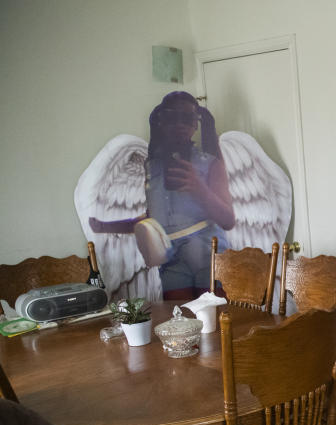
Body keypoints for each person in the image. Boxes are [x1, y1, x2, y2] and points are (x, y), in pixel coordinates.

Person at [89, 91, 235, 299]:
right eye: (171, 117)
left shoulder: (210, 164)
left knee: (214, 322)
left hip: (207, 257)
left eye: (187, 118)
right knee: (178, 321)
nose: (179, 125)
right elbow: (152, 220)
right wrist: (105, 227)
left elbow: (228, 220)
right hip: (170, 259)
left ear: (195, 124)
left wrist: (198, 188)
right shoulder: (152, 167)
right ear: (161, 122)